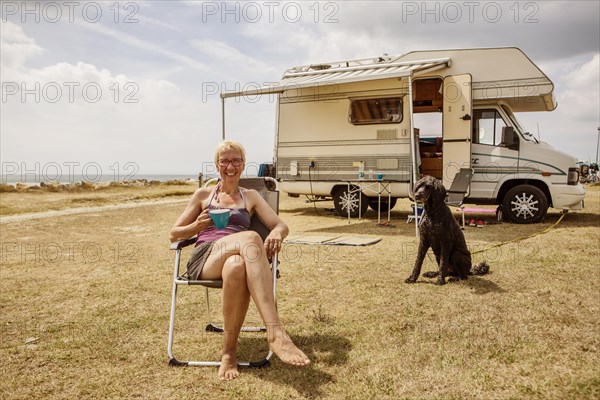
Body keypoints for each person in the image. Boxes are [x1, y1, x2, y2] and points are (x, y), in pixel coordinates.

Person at [170, 139, 310, 381]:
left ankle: (228, 354)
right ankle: (275, 333)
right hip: (206, 259)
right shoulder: (203, 195)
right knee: (251, 238)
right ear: (217, 165)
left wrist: (277, 233)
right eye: (224, 161)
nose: (230, 166)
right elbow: (174, 234)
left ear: (243, 164)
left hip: (237, 261)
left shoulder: (251, 196)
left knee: (236, 266)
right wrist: (197, 225)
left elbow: (280, 225)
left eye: (236, 160)